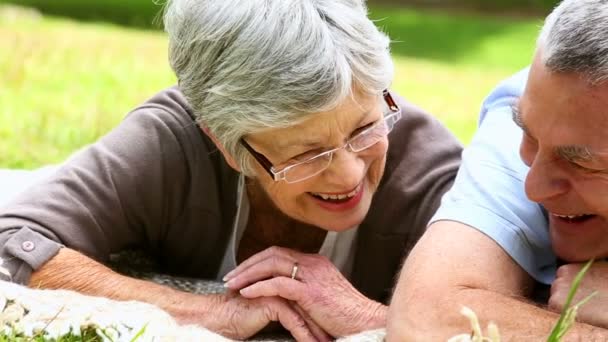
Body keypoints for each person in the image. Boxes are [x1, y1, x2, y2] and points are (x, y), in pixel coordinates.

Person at [0, 0, 462, 340]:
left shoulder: (434, 172)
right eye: (306, 154)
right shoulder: (173, 140)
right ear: (224, 144)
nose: (347, 174)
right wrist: (212, 312)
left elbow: (516, 325)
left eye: (364, 129)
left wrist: (369, 319)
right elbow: (14, 242)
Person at [387, 0, 608, 340]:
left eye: (580, 162)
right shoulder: (547, 103)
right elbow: (431, 313)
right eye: (529, 136)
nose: (533, 188)